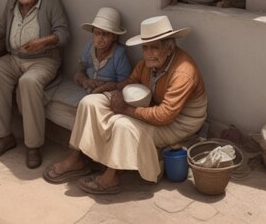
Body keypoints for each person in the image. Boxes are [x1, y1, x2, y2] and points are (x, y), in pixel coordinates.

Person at [43, 15, 207, 194]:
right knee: (89, 102)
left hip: (180, 122)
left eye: (154, 48)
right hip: (153, 107)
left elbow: (165, 115)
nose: (148, 53)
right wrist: (109, 88)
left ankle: (111, 177)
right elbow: (128, 82)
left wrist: (127, 109)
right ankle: (77, 158)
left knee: (121, 123)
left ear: (169, 48)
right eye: (145, 47)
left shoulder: (183, 72)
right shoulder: (148, 63)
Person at [0, 0, 69, 169]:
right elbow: (1, 26)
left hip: (43, 60)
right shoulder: (12, 1)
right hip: (14, 58)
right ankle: (5, 136)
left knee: (28, 82)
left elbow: (64, 34)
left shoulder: (51, 2)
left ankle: (33, 146)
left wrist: (43, 41)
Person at [74, 7, 131, 94]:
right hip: (88, 89)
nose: (100, 39)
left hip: (108, 93)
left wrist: (105, 87)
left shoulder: (119, 53)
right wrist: (85, 81)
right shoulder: (89, 46)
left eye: (105, 34)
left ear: (114, 37)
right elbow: (80, 70)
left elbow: (125, 83)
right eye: (97, 33)